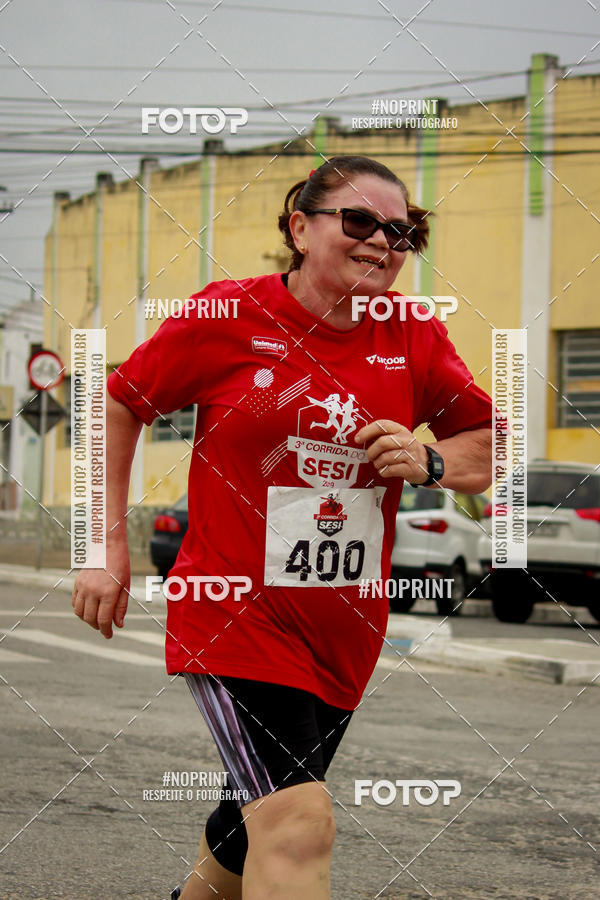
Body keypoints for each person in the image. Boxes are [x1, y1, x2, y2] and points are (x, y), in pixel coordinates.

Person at [72, 155, 493, 900]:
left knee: (252, 822)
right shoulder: (227, 315)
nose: (382, 242)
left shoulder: (414, 335)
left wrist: (429, 459)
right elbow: (120, 402)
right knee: (299, 821)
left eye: (402, 231)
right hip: (235, 614)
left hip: (345, 633)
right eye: (359, 221)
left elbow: (488, 444)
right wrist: (105, 542)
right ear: (301, 227)